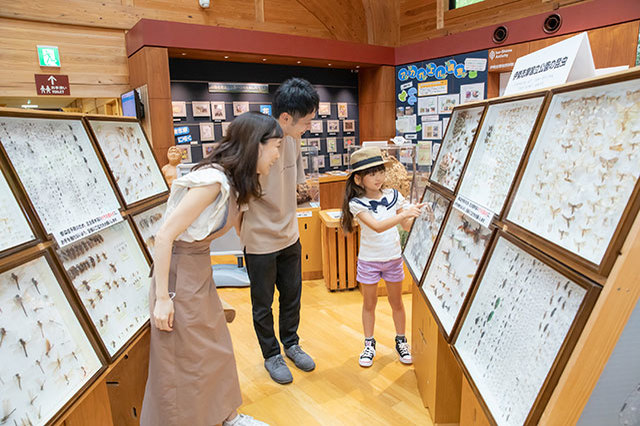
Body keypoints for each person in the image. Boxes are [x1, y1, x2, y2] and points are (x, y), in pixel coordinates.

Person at [141, 112, 282, 426]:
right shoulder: (212, 182)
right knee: (185, 360)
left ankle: (225, 416)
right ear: (256, 146)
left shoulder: (234, 184)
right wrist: (163, 298)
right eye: (275, 147)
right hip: (178, 278)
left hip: (198, 274)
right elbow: (165, 235)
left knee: (215, 349)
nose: (276, 156)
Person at [240, 78, 319, 384]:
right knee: (262, 303)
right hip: (259, 240)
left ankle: (291, 344)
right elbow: (240, 198)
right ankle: (271, 354)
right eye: (307, 121)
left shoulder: (294, 141)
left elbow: (295, 185)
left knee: (292, 296)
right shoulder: (254, 146)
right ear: (286, 118)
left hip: (289, 235)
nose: (309, 127)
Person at [340, 147, 424, 368]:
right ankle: (369, 344)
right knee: (369, 303)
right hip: (369, 261)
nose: (379, 177)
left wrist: (415, 213)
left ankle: (401, 340)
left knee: (397, 303)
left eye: (380, 172)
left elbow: (405, 225)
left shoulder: (394, 196)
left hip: (393, 258)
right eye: (372, 173)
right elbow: (377, 227)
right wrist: (404, 214)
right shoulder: (356, 203)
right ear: (359, 179)